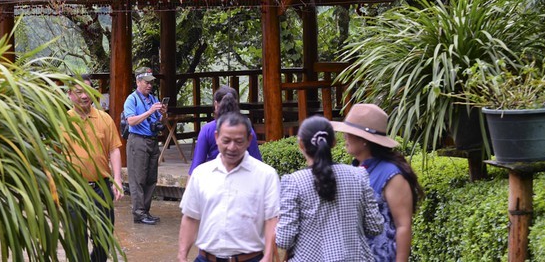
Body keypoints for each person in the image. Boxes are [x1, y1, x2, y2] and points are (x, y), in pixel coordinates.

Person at [275, 115, 383, 261]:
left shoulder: (294, 182)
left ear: (301, 144)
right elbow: (375, 226)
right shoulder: (358, 175)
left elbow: (284, 239)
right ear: (333, 142)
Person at [178, 111, 280, 262]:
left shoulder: (266, 175)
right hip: (206, 258)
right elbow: (190, 217)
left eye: (239, 141)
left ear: (249, 140)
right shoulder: (201, 174)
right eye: (226, 140)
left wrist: (268, 256)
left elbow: (272, 219)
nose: (232, 147)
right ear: (216, 137)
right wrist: (182, 256)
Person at [332, 104, 424, 262]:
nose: (345, 137)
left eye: (350, 133)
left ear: (365, 140)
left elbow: (403, 225)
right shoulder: (356, 169)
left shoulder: (391, 174)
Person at [64, 74, 123, 262]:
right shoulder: (62, 121)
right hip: (74, 188)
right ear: (69, 94)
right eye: (79, 92)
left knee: (104, 235)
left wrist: (118, 180)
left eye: (87, 91)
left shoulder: (104, 119)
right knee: (76, 236)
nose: (84, 96)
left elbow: (114, 150)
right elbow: (53, 154)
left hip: (101, 185)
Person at [123, 66, 166, 225]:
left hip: (152, 140)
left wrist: (162, 114)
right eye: (146, 82)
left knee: (150, 178)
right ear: (138, 82)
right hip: (138, 141)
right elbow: (131, 121)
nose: (149, 85)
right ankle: (139, 213)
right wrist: (149, 112)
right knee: (138, 178)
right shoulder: (131, 99)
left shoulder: (154, 99)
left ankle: (145, 211)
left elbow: (161, 122)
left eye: (151, 82)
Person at [188, 86, 261, 175]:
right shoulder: (247, 130)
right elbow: (257, 164)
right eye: (226, 140)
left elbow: (195, 167)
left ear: (215, 104)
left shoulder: (207, 130)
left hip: (212, 180)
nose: (231, 147)